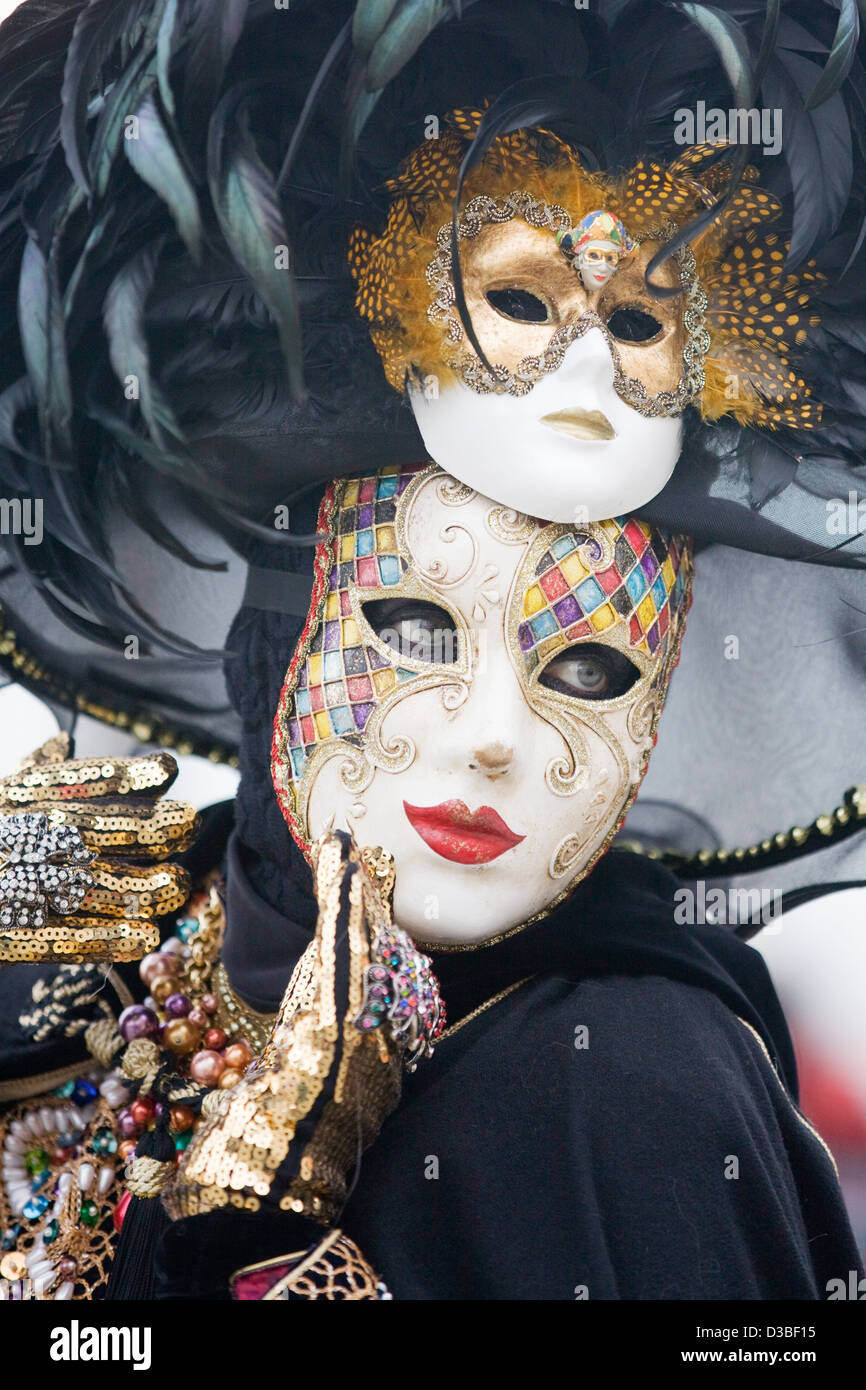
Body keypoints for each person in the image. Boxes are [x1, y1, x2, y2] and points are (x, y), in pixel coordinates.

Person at [0, 0, 864, 1302]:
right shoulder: (70, 918)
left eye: (587, 668)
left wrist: (260, 1213)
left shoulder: (623, 1093)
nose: (496, 733)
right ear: (270, 631)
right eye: (411, 629)